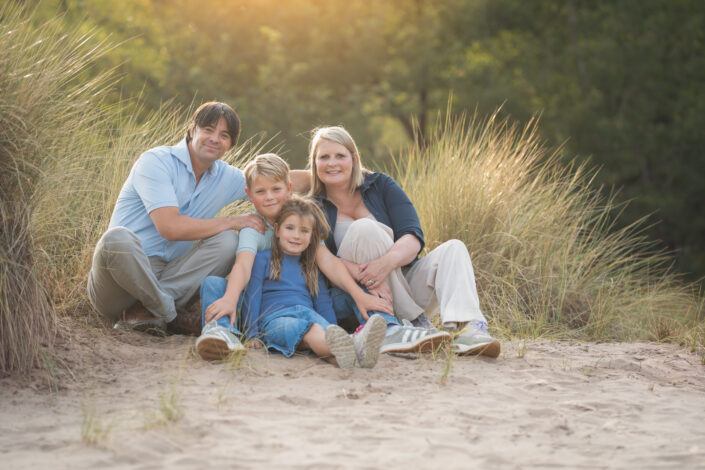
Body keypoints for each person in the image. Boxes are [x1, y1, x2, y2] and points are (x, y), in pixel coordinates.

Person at [87, 102, 307, 336]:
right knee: (116, 239)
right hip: (118, 285)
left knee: (227, 242)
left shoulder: (225, 176)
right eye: (209, 130)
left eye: (224, 135)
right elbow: (169, 227)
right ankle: (172, 316)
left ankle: (145, 311)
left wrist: (335, 173)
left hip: (170, 279)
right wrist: (232, 221)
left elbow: (276, 180)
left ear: (230, 145)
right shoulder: (156, 162)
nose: (215, 139)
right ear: (192, 130)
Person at [308, 126, 501, 358]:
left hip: (405, 283)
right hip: (360, 296)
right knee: (364, 229)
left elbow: (412, 236)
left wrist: (384, 265)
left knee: (454, 248)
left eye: (340, 156)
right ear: (314, 163)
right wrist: (366, 275)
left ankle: (471, 328)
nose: (332, 163)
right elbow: (323, 260)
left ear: (354, 158)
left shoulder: (380, 185)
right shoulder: (312, 207)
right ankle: (412, 323)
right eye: (324, 157)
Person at [196, 153, 392, 360]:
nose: (270, 197)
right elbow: (244, 267)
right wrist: (230, 300)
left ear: (288, 189)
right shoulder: (253, 228)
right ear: (250, 195)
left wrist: (358, 295)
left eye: (276, 189)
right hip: (268, 308)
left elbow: (327, 263)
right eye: (261, 191)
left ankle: (387, 329)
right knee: (213, 285)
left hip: (305, 304)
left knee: (358, 288)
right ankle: (223, 332)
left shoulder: (303, 219)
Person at [220, 196, 387, 368]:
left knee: (324, 333)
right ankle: (355, 344)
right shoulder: (262, 259)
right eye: (290, 228)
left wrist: (332, 328)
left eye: (304, 231)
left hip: (310, 314)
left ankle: (351, 354)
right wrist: (252, 334)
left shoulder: (312, 266)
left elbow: (323, 302)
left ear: (312, 235)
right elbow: (252, 296)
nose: (296, 236)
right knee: (312, 332)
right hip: (276, 319)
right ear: (277, 230)